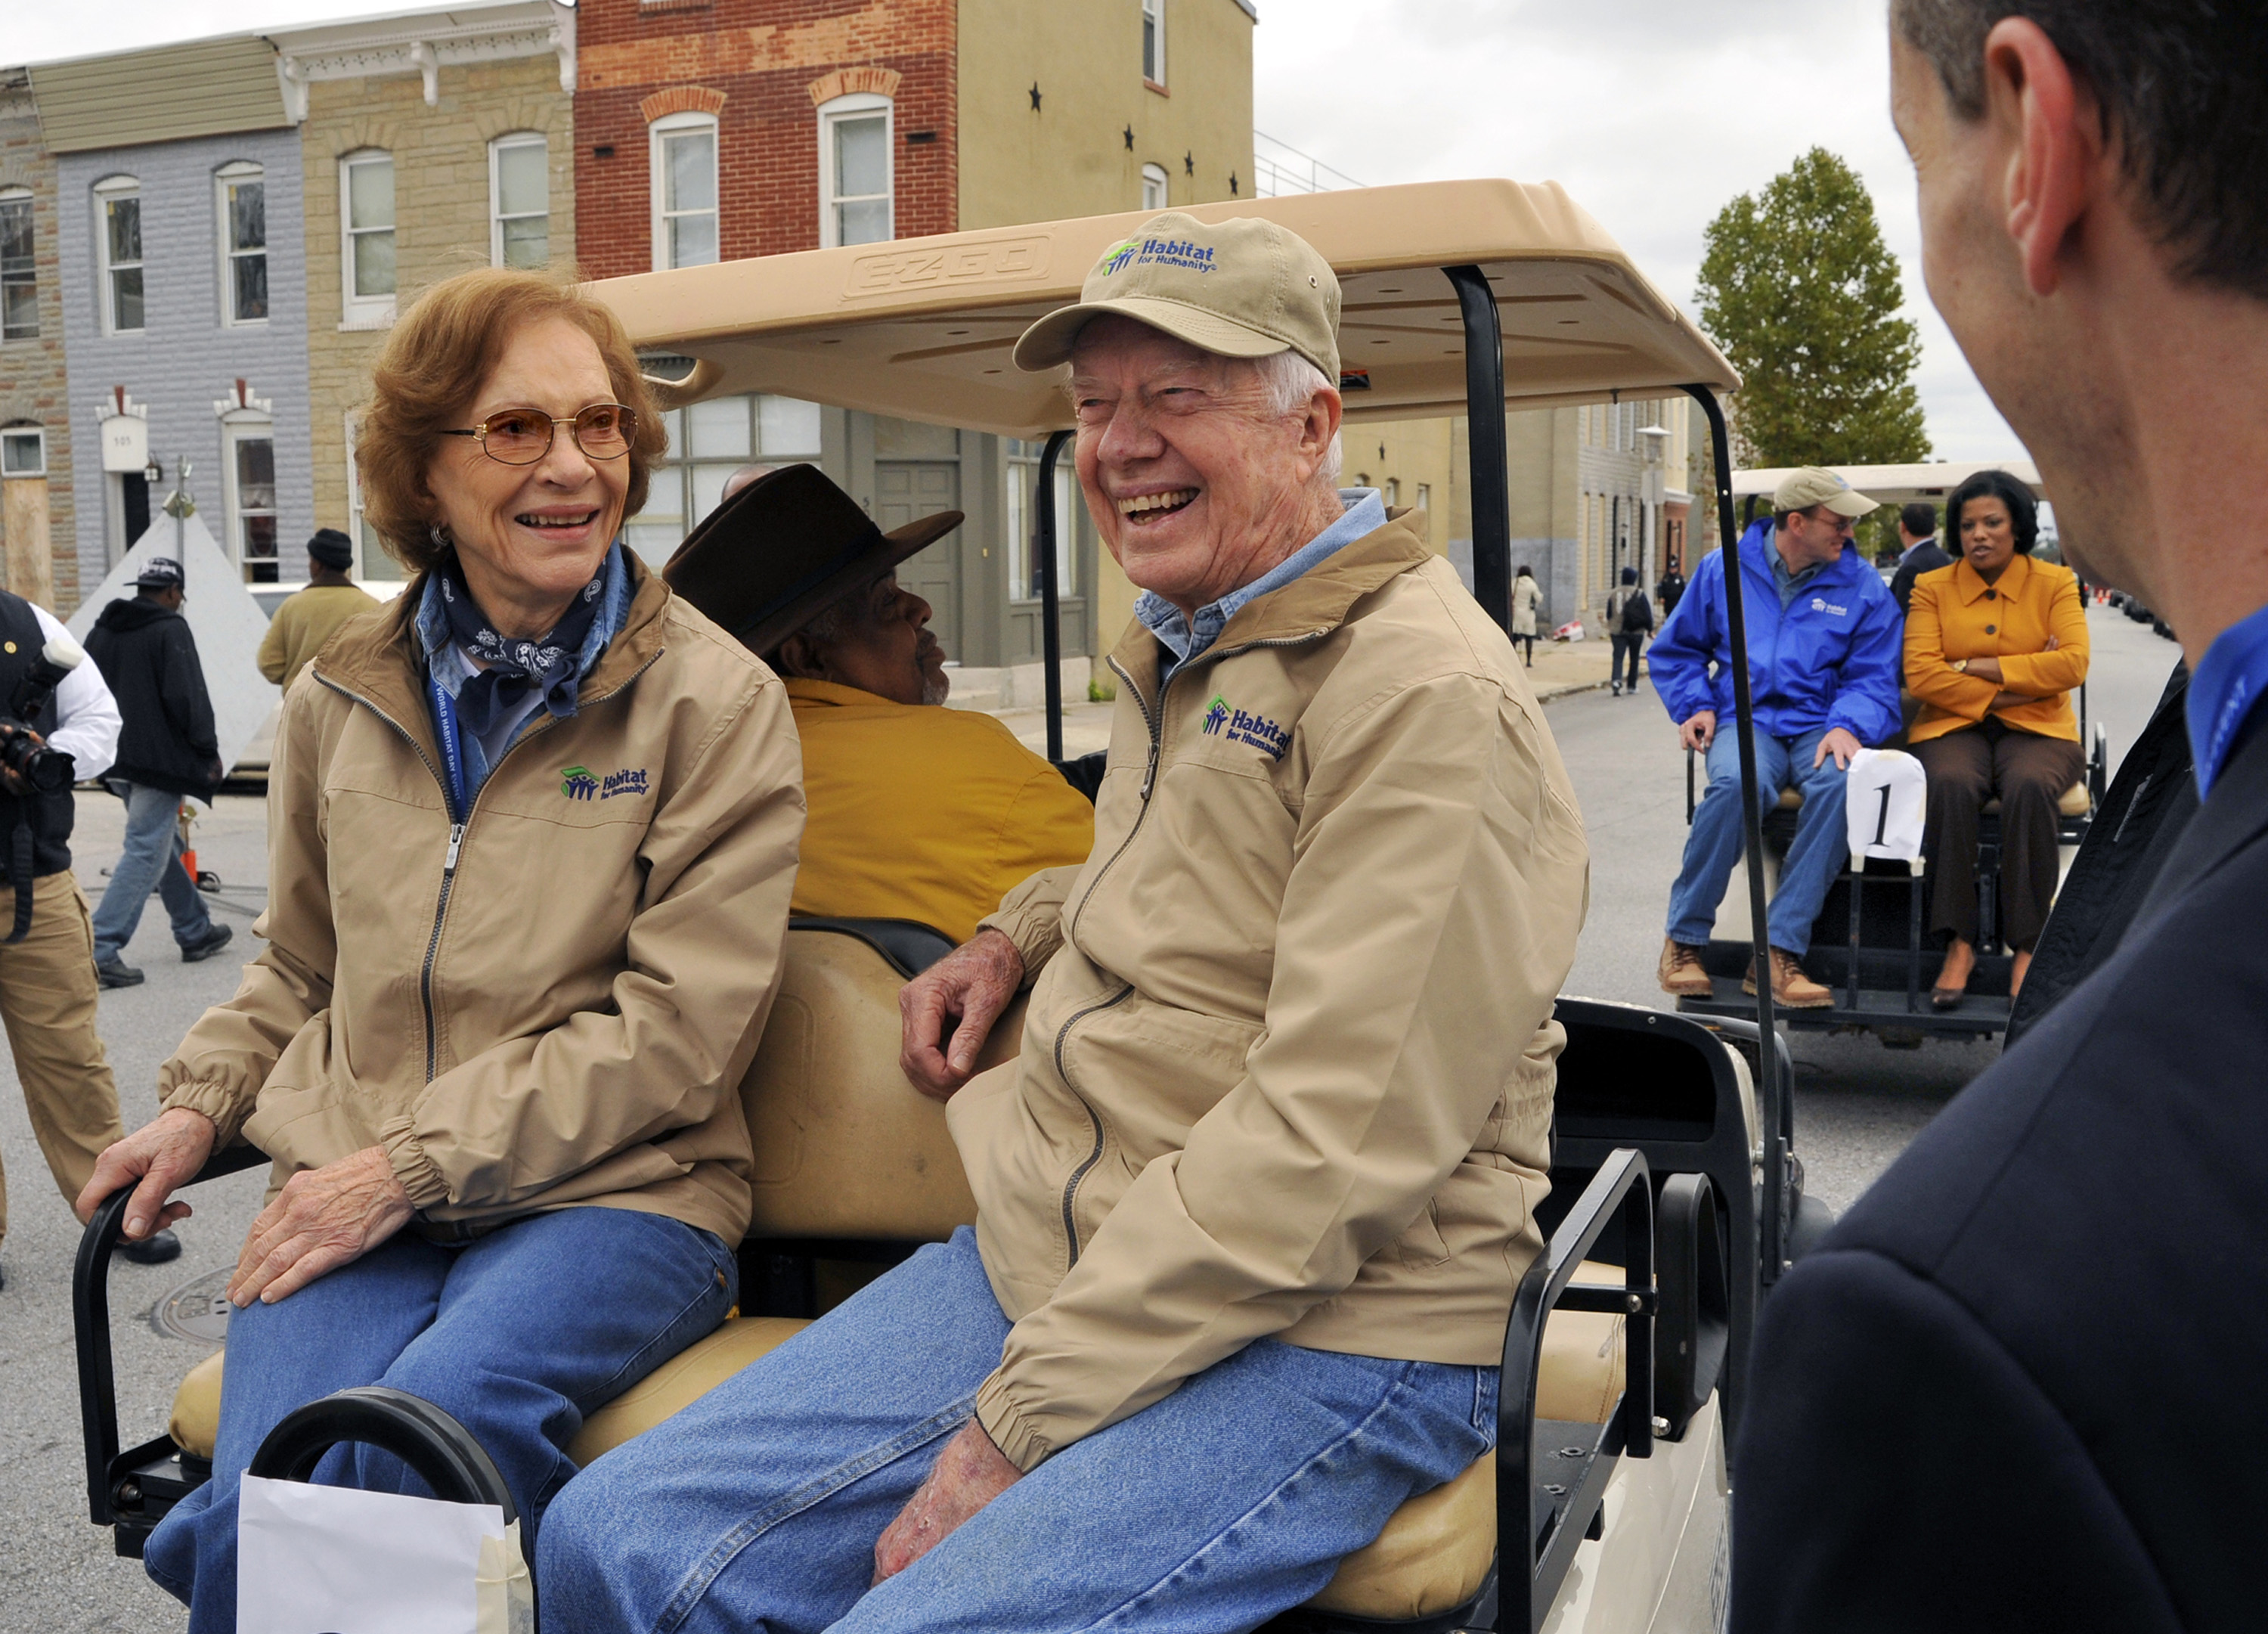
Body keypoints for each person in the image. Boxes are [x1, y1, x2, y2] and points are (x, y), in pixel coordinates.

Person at [541, 209, 1589, 1634]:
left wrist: (1019, 1425)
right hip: (1075, 1247)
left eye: (1176, 396)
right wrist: (1016, 935)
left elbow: (1330, 1156)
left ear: (1312, 427)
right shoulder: (1195, 642)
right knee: (613, 1535)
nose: (1121, 442)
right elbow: (1161, 874)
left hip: (1347, 1319)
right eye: (1098, 405)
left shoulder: (1420, 697)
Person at [75, 268, 806, 1634]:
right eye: (515, 430)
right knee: (286, 1476)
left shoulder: (716, 702)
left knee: (411, 1441)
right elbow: (297, 967)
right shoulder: (339, 693)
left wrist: (406, 1166)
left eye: (600, 425)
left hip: (619, 1198)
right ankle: (229, 1538)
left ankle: (225, 1552)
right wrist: (198, 1106)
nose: (573, 466)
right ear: (423, 472)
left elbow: (678, 1033)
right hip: (361, 1173)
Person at [1732, 8, 2268, 1629]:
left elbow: (2022, 668)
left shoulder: (1961, 1339)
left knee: (2009, 779)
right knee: (1939, 781)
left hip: (2025, 737)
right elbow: (1931, 672)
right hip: (1968, 737)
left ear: (2034, 144)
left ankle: (1994, 940)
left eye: (1916, 155)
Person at [665, 461, 1094, 944]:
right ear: (807, 658)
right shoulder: (980, 767)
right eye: (886, 600)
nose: (920, 608)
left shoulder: (688, 784)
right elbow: (1126, 898)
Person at [1650, 469, 1904, 1007]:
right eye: (1839, 522)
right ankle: (1684, 939)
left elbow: (1875, 677)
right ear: (1797, 522)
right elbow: (1678, 651)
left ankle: (1778, 954)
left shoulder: (1862, 588)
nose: (1850, 533)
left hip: (1820, 723)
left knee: (1840, 785)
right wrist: (1695, 704)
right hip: (1746, 719)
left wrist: (1847, 723)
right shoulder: (1722, 570)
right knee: (1736, 786)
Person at [0, 590, 150, 1288]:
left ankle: (110, 1213)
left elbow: (100, 720)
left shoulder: (27, 625)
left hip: (36, 885)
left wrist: (44, 751)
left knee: (73, 1063)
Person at [1903, 470, 2087, 1007]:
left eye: (1992, 522)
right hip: (1951, 728)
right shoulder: (1931, 587)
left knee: (2030, 785)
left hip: (2041, 732)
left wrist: (1972, 663)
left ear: (2017, 526)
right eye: (1967, 525)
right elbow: (1921, 675)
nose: (1978, 534)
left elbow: (2072, 662)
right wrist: (2021, 678)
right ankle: (1958, 941)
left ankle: (2028, 944)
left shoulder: (2054, 583)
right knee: (1953, 782)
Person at [82, 558, 232, 988]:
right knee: (145, 847)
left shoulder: (102, 631)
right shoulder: (170, 629)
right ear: (171, 592)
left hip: (117, 757)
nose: (180, 602)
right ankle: (100, 948)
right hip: (159, 761)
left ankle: (193, 929)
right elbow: (188, 696)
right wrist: (207, 751)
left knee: (157, 843)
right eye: (180, 595)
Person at [256, 529, 380, 691]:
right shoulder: (371, 607)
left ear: (318, 564)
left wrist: (297, 676)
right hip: (351, 707)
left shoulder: (292, 607)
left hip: (301, 706)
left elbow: (269, 664)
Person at [1887, 499, 1954, 616]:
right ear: (1934, 527)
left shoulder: (1911, 568)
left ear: (1902, 527)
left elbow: (1902, 616)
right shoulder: (1947, 559)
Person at [1605, 563, 1653, 696]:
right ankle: (1632, 685)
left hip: (1617, 631)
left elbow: (1608, 613)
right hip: (1636, 631)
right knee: (1634, 657)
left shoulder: (1614, 593)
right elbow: (1647, 613)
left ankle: (1616, 680)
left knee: (1618, 656)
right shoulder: (1639, 593)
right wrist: (1650, 629)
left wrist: (1612, 624)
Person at [1511, 560, 1544, 664]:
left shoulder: (1514, 582)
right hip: (1528, 614)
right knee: (1529, 637)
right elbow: (1538, 598)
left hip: (1516, 613)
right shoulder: (1531, 584)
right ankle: (1528, 661)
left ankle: (1513, 660)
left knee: (1515, 637)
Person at [1656, 553, 1687, 617]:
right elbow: (1660, 587)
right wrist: (1660, 596)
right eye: (1671, 568)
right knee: (1668, 615)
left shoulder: (1680, 578)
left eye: (1674, 568)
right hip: (1668, 602)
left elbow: (1684, 589)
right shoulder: (1666, 578)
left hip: (1677, 602)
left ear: (1677, 569)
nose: (1672, 570)